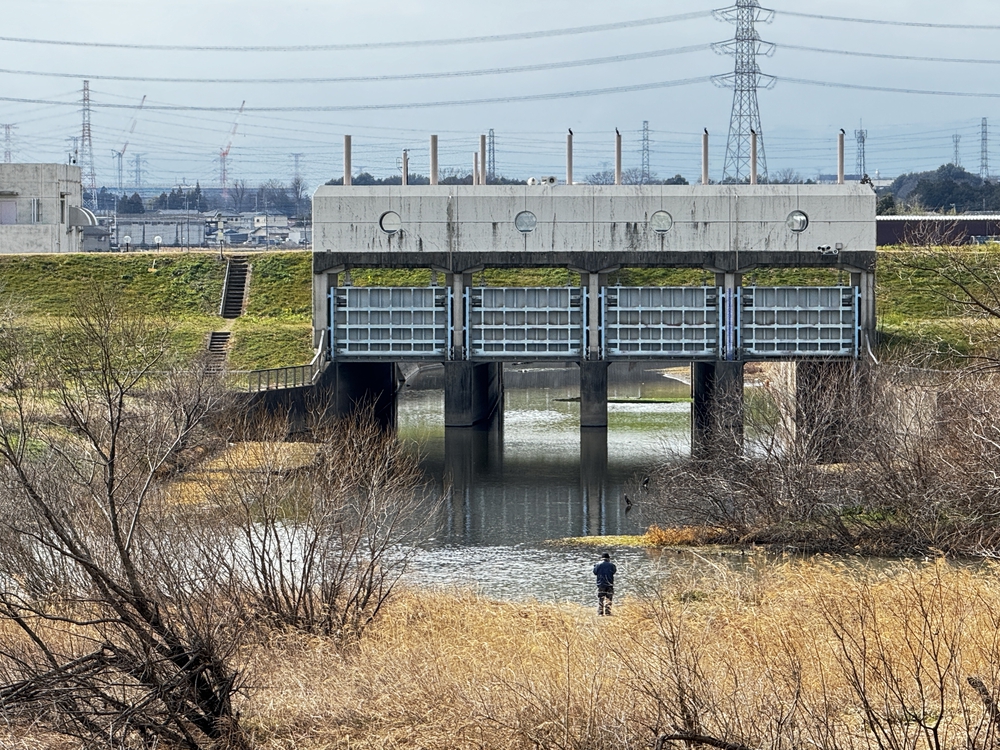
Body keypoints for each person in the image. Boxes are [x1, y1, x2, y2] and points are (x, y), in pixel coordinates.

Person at [593, 552, 617, 616]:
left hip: (601, 584)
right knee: (609, 598)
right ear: (608, 558)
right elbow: (614, 572)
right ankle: (608, 612)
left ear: (602, 558)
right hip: (609, 584)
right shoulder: (612, 565)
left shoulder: (597, 565)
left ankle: (600, 612)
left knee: (601, 598)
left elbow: (595, 572)